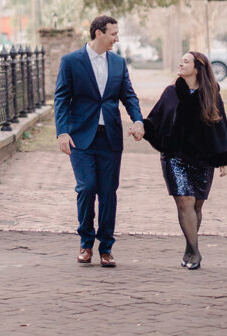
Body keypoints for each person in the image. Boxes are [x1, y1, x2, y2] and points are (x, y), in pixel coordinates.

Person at [53, 15, 145, 267]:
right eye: (113, 33)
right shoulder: (71, 61)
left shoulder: (118, 63)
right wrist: (62, 132)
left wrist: (138, 121)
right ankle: (85, 243)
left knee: (108, 193)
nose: (117, 38)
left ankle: (106, 248)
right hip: (81, 137)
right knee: (86, 188)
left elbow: (129, 96)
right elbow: (61, 99)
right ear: (98, 33)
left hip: (110, 138)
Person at [143, 50, 227, 270]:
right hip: (174, 157)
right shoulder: (171, 92)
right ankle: (196, 253)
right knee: (185, 202)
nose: (181, 64)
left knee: (196, 206)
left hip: (202, 159)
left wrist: (225, 158)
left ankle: (189, 249)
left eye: (186, 61)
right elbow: (155, 118)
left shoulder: (211, 93)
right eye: (181, 61)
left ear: (197, 68)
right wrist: (142, 128)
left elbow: (221, 125)